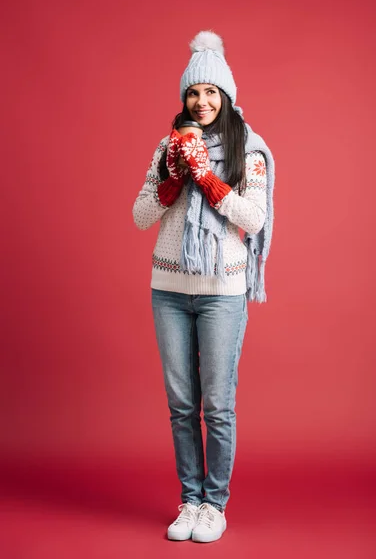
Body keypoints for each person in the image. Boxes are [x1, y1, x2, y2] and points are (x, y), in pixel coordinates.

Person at [132, 31, 275, 543]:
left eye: (212, 92)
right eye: (194, 93)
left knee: (217, 404)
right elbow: (140, 215)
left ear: (227, 97)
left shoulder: (249, 151)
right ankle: (189, 500)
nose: (202, 101)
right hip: (168, 288)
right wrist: (175, 178)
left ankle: (215, 504)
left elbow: (254, 219)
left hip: (222, 292)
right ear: (184, 99)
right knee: (180, 403)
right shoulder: (166, 147)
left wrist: (207, 179)